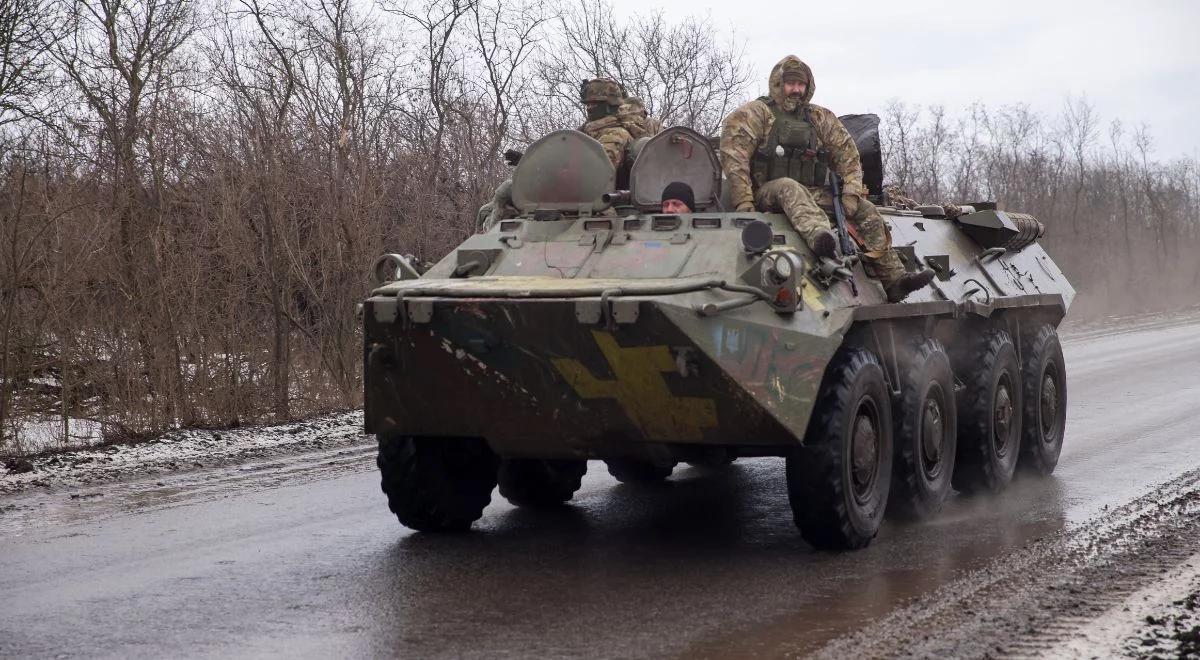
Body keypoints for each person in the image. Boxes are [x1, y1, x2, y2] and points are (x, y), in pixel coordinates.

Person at [719, 55, 934, 302]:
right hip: (766, 193)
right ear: (778, 84)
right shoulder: (755, 114)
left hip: (810, 193)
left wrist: (851, 194)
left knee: (866, 210)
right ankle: (821, 239)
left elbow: (847, 155)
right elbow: (734, 157)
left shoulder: (819, 118)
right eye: (790, 84)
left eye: (801, 85)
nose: (796, 90)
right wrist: (744, 203)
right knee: (789, 186)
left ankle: (894, 279)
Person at [579, 78, 662, 171]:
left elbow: (598, 170)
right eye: (587, 104)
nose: (589, 108)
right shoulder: (592, 128)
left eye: (594, 104)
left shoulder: (616, 133)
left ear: (609, 104)